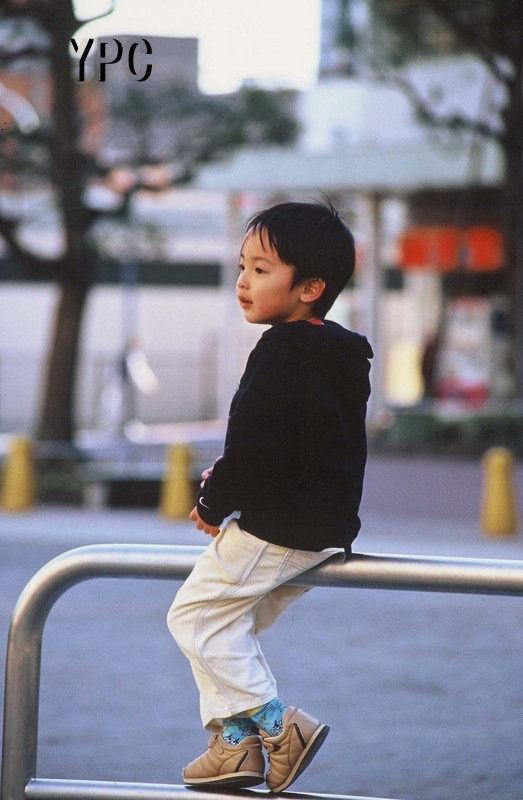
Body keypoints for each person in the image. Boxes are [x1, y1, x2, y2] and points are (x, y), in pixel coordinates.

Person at [167, 198, 373, 793]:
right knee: (225, 626)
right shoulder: (338, 354)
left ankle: (280, 729)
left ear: (310, 288)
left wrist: (212, 501)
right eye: (242, 267)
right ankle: (232, 746)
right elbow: (299, 442)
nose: (243, 282)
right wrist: (232, 475)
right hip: (324, 528)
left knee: (194, 616)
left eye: (261, 270)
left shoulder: (281, 350)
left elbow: (255, 444)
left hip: (279, 526)